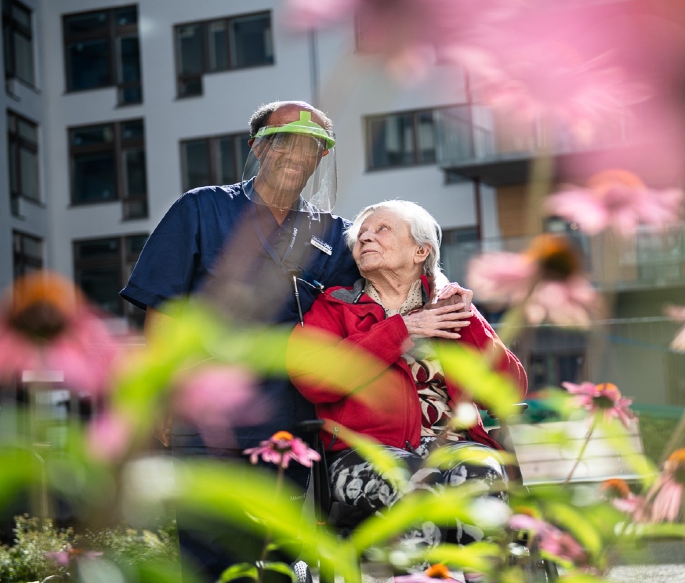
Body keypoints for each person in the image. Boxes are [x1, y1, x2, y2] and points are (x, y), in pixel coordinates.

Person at [120, 100, 359, 580]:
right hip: (207, 418)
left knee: (279, 558)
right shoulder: (200, 209)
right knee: (208, 552)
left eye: (311, 146)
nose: (296, 153)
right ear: (257, 148)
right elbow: (163, 306)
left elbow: (378, 298)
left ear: (320, 159)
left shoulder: (335, 234)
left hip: (292, 425)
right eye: (282, 141)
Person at [286, 199, 528, 555]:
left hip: (456, 446)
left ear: (420, 250)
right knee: (410, 483)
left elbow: (507, 391)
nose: (366, 238)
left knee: (480, 477)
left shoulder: (451, 309)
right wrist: (402, 330)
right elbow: (312, 377)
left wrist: (470, 321)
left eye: (382, 229)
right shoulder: (335, 307)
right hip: (366, 453)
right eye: (361, 235)